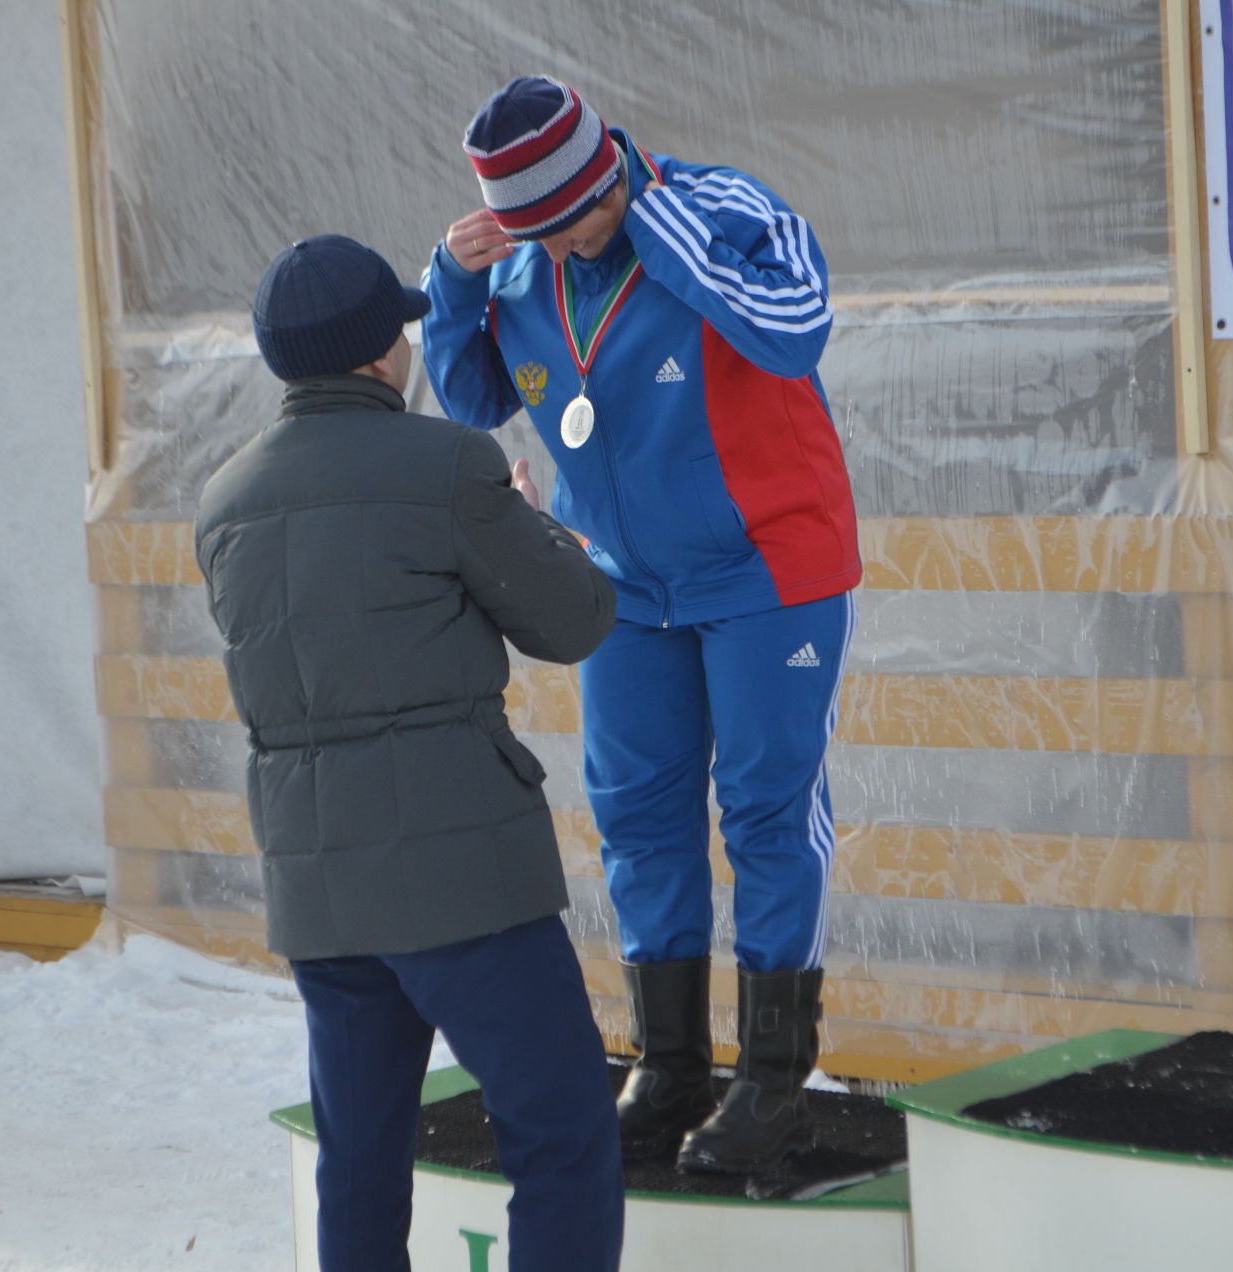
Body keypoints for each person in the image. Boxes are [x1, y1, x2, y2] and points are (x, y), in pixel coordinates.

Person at [420, 75, 862, 1175]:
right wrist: (453, 287)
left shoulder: (721, 206)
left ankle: (772, 1085)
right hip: (624, 588)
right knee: (637, 816)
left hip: (770, 570)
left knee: (766, 809)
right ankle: (668, 1067)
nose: (568, 246)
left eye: (577, 215)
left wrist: (664, 237)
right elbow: (475, 402)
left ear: (609, 168)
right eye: (537, 230)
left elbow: (798, 332)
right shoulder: (525, 264)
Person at [195, 234, 624, 1272]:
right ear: (378, 352)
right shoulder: (449, 465)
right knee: (561, 1137)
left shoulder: (223, 503)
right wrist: (535, 525)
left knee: (360, 1160)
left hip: (320, 887)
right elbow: (572, 622)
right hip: (460, 880)